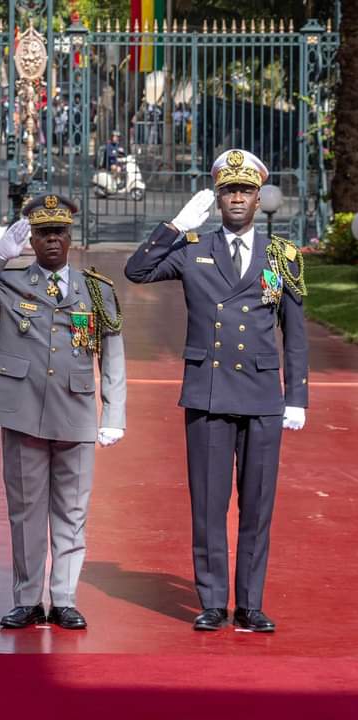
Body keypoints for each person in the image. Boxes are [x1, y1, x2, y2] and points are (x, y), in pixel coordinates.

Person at [124, 149, 308, 633]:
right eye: (229, 192)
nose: (238, 199)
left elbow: (296, 330)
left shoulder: (281, 256)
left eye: (245, 191)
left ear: (257, 196)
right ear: (219, 199)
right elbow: (137, 271)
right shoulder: (192, 249)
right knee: (208, 504)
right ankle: (211, 601)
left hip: (263, 394)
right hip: (208, 392)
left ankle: (249, 604)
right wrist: (173, 226)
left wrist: (298, 397)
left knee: (257, 505)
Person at [0, 195, 126, 630]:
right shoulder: (10, 283)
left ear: (72, 237)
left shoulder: (96, 289)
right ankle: (28, 598)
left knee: (72, 511)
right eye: (44, 233)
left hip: (75, 410)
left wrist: (114, 414)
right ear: (30, 239)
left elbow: (112, 356)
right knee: (26, 510)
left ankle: (64, 598)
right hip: (23, 410)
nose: (52, 240)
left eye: (60, 232)